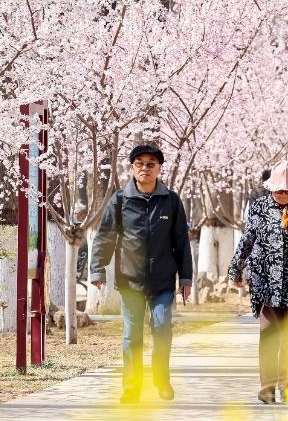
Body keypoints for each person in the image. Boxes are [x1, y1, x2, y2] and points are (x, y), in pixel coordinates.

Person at [90, 145, 193, 404]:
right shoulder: (120, 199)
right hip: (130, 280)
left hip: (163, 281)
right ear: (132, 167)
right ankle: (132, 387)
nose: (144, 168)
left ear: (159, 168)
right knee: (131, 335)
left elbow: (181, 242)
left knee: (161, 328)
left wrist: (186, 278)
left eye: (150, 163)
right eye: (139, 163)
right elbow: (105, 236)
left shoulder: (171, 200)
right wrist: (97, 268)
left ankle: (161, 380)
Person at [228, 160, 288, 405]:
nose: (283, 195)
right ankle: (268, 387)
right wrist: (235, 269)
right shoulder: (259, 208)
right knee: (269, 334)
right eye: (278, 190)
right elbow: (247, 239)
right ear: (271, 188)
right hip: (266, 282)